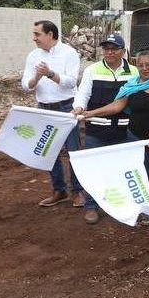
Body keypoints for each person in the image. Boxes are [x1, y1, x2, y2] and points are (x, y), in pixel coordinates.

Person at [81, 49, 149, 226]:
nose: (144, 68)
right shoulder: (131, 84)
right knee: (140, 175)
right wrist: (90, 113)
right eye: (141, 65)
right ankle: (144, 209)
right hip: (134, 137)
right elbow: (117, 106)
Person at [73, 33, 136, 224]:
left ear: (122, 51)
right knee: (94, 169)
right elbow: (83, 94)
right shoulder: (93, 70)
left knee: (123, 170)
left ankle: (120, 204)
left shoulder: (134, 72)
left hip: (124, 130)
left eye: (114, 48)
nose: (109, 52)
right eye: (106, 48)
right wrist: (79, 107)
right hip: (97, 131)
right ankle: (91, 206)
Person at [21, 20, 85, 208]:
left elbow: (71, 82)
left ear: (50, 35)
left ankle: (77, 190)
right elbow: (25, 85)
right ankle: (59, 190)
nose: (34, 38)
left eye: (37, 34)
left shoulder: (69, 53)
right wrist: (37, 77)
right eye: (34, 34)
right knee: (48, 151)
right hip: (44, 109)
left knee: (73, 150)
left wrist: (50, 74)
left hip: (67, 108)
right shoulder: (33, 56)